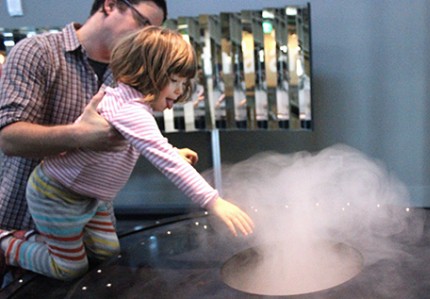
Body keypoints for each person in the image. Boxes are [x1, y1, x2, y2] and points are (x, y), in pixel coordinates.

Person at [0, 25, 254, 282]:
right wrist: (214, 201)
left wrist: (173, 151)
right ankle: (9, 244)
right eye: (174, 81)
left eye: (183, 84)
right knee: (68, 269)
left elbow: (143, 144)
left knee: (108, 253)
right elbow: (164, 159)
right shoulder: (129, 110)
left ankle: (54, 241)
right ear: (150, 73)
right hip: (57, 195)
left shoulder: (129, 104)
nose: (179, 91)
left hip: (90, 197)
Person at [0, 0, 167, 234]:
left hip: (91, 223)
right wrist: (79, 135)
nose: (144, 38)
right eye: (143, 24)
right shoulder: (37, 52)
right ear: (110, 5)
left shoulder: (128, 75)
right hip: (24, 225)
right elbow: (9, 138)